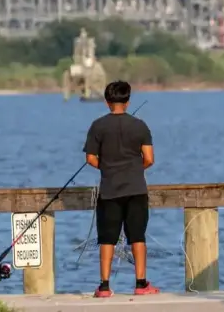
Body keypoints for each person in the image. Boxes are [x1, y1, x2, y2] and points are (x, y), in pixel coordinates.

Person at [82, 80, 160, 298]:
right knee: (137, 236)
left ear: (107, 102)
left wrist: (108, 167)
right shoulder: (140, 126)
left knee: (107, 238)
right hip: (136, 188)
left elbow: (90, 158)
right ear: (127, 102)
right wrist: (134, 168)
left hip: (109, 190)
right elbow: (149, 159)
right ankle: (141, 283)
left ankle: (105, 286)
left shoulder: (97, 126)